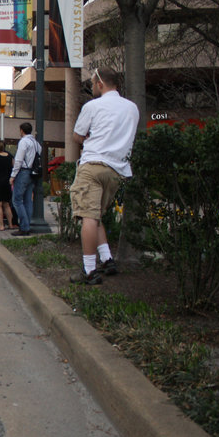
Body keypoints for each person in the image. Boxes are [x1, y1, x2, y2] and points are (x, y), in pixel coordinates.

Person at [70, 67, 138, 284]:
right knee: (97, 215)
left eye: (92, 84)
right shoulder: (132, 108)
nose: (91, 88)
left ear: (100, 83)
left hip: (93, 165)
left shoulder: (93, 106)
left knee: (88, 217)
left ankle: (89, 271)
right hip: (117, 170)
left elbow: (77, 136)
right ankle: (107, 259)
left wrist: (89, 138)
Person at [9, 122, 41, 236]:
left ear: (22, 130)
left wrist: (13, 176)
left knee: (17, 200)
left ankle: (24, 226)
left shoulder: (24, 142)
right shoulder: (37, 144)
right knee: (28, 200)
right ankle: (27, 226)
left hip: (23, 171)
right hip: (33, 173)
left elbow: (18, 160)